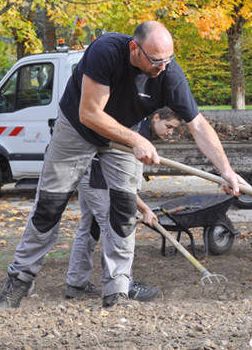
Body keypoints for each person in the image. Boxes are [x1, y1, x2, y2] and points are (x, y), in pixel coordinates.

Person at [0, 21, 246, 310]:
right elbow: (90, 113)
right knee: (49, 206)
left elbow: (198, 125)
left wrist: (225, 171)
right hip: (78, 129)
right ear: (134, 49)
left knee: (124, 211)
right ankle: (19, 280)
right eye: (156, 61)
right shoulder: (106, 52)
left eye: (168, 60)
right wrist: (137, 140)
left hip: (124, 132)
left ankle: (117, 289)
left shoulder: (169, 74)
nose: (163, 68)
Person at [65, 107, 182, 302]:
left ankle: (76, 283)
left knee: (89, 229)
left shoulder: (140, 129)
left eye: (173, 129)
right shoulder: (136, 134)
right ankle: (122, 287)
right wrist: (145, 209)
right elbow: (124, 187)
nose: (169, 132)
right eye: (168, 126)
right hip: (97, 179)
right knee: (115, 229)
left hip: (89, 173)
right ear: (156, 117)